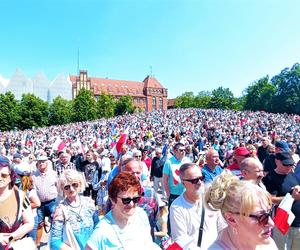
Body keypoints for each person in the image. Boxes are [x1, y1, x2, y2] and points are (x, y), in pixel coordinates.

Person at [85, 172, 160, 250]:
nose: (131, 204)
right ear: (112, 200)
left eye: (135, 199)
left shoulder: (141, 214)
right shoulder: (102, 231)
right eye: (126, 200)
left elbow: (149, 244)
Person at [206, 170, 277, 249]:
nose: (271, 223)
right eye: (261, 217)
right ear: (231, 219)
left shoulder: (267, 243)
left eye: (269, 213)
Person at [170, 163, 226, 249]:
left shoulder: (211, 200)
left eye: (201, 178)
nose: (200, 182)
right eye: (194, 180)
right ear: (183, 183)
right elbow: (180, 239)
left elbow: (222, 228)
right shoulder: (177, 207)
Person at [50, 169, 99, 249]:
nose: (71, 189)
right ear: (62, 189)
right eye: (67, 187)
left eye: (74, 185)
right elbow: (54, 242)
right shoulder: (60, 210)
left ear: (80, 184)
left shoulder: (89, 203)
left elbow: (97, 227)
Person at [0, 156, 34, 249]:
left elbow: (29, 223)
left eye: (4, 175)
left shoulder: (20, 196)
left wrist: (11, 237)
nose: (0, 178)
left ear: (10, 177)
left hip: (15, 245)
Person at [32, 154, 58, 246]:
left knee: (56, 223)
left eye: (43, 161)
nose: (41, 163)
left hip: (52, 202)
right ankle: (37, 244)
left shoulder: (53, 174)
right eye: (39, 162)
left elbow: (58, 187)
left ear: (47, 163)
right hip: (39, 204)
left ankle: (54, 243)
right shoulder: (33, 176)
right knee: (39, 224)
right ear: (37, 163)